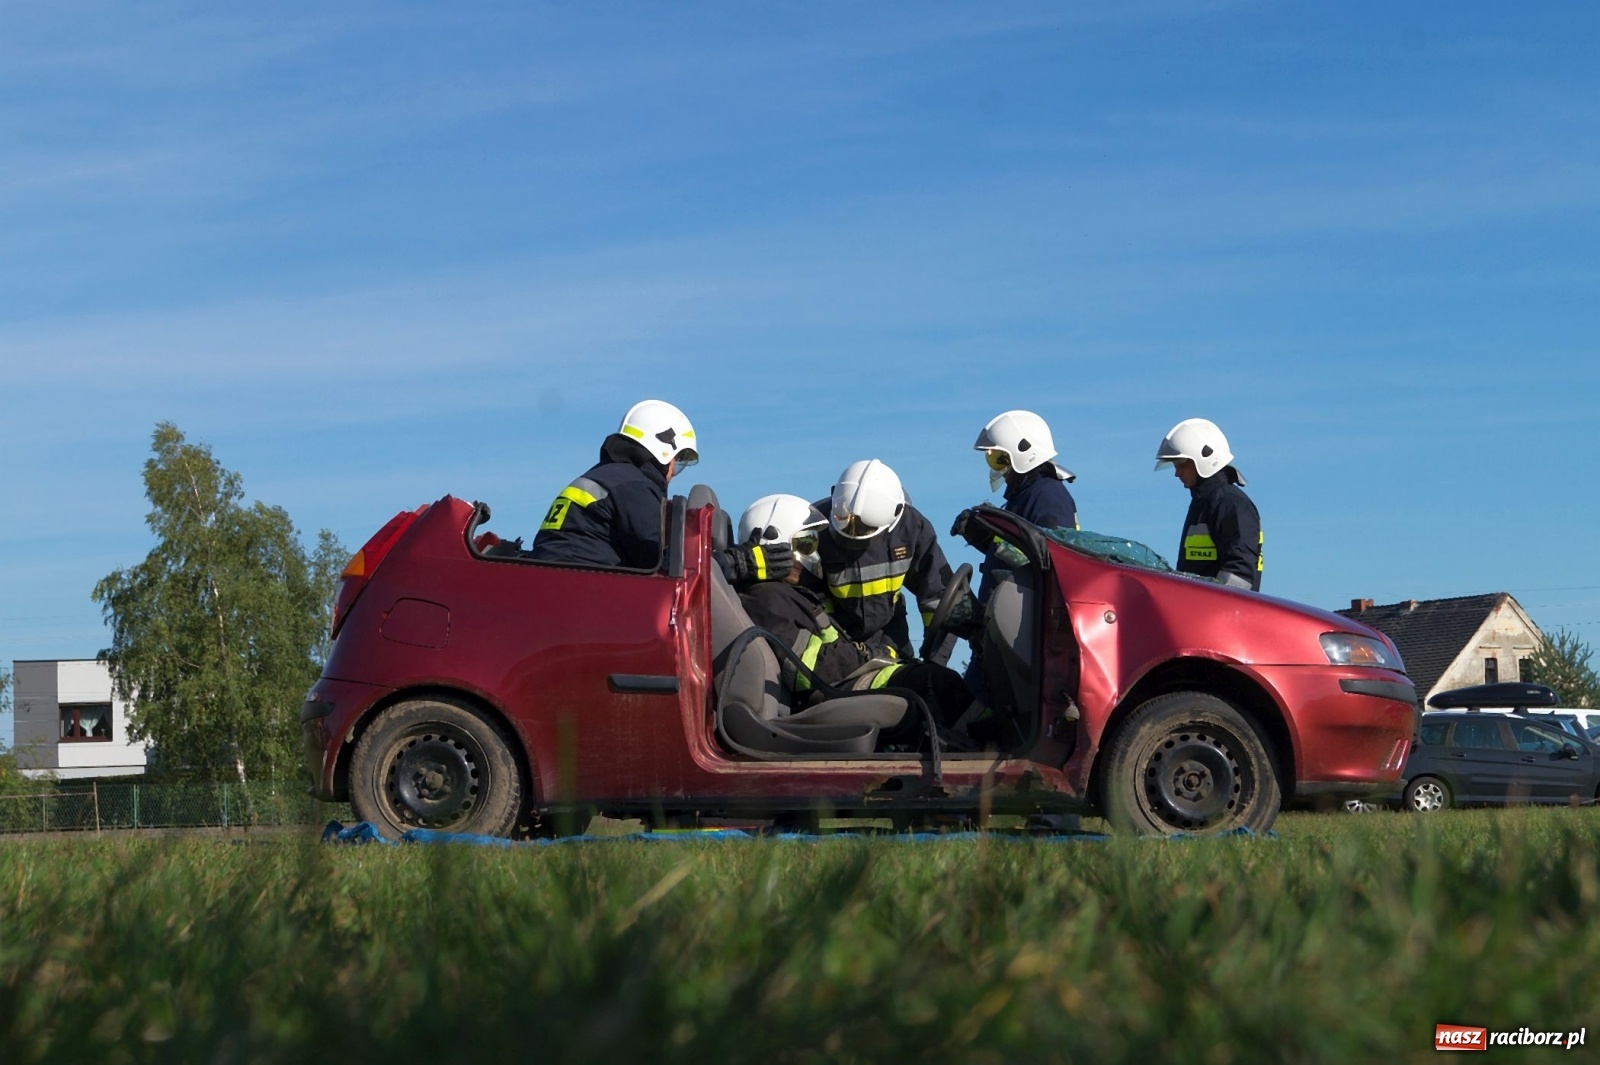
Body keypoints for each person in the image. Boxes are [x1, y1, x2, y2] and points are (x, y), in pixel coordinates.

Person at [734, 493, 971, 748]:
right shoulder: (767, 598)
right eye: (804, 544)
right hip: (829, 691)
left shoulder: (786, 593)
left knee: (933, 680)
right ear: (774, 546)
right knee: (936, 683)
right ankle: (985, 748)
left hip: (837, 683)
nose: (812, 555)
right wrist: (875, 654)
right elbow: (811, 666)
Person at [527, 399, 786, 581]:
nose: (673, 473)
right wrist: (737, 563)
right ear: (663, 449)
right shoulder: (633, 486)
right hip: (589, 598)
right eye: (677, 461)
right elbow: (670, 568)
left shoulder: (605, 476)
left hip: (562, 589)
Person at [1154, 417, 1262, 591]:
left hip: (1220, 608)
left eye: (1181, 465)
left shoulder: (1231, 504)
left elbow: (1238, 573)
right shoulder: (1205, 503)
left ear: (1204, 458)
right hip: (1199, 606)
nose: (1177, 473)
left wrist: (1216, 605)